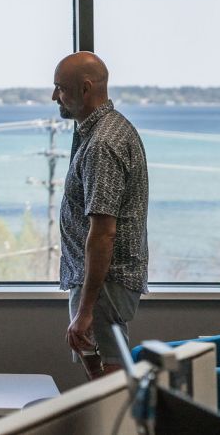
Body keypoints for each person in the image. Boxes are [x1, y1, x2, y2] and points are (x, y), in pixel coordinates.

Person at [52, 52, 149, 380]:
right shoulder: (104, 129)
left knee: (112, 378)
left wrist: (86, 309)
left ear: (86, 88)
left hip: (104, 282)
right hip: (95, 279)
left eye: (61, 89)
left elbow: (104, 231)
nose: (55, 97)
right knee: (101, 374)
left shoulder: (102, 144)